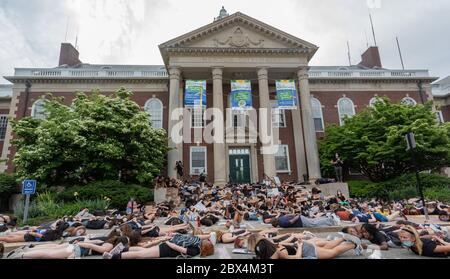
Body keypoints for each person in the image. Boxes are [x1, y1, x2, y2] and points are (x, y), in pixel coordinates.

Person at [103, 233, 214, 259]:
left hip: (165, 247)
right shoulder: (195, 251)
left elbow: (182, 237)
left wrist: (169, 239)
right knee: (141, 254)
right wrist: (168, 243)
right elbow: (177, 249)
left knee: (142, 250)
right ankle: (113, 256)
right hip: (166, 250)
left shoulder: (195, 240)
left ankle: (123, 248)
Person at [271, 213, 340, 228]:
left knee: (314, 223)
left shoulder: (282, 223)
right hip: (300, 218)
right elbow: (287, 215)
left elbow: (291, 221)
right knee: (314, 221)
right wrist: (295, 214)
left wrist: (296, 217)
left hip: (300, 221)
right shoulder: (280, 218)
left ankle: (331, 219)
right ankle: (329, 218)